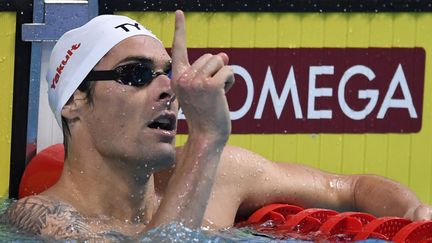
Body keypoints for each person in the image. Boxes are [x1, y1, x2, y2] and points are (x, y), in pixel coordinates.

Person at [2, 10, 432, 240]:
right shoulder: (42, 218)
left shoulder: (226, 177)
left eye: (167, 74)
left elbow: (351, 187)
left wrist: (413, 213)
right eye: (135, 74)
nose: (166, 89)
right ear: (76, 100)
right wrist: (207, 137)